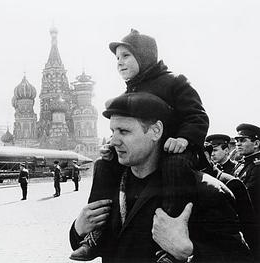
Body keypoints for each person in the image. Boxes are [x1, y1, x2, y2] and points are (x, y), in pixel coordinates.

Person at [70, 29, 209, 260]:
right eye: (117, 58)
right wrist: (114, 144)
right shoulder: (131, 88)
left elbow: (197, 116)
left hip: (176, 151)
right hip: (145, 155)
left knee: (175, 165)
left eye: (126, 56)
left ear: (143, 57)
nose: (119, 63)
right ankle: (95, 233)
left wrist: (184, 139)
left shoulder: (174, 82)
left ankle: (168, 245)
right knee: (103, 165)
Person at [69, 92, 252, 263]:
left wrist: (189, 251)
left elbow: (241, 257)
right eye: (112, 132)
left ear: (156, 131)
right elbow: (101, 245)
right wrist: (78, 229)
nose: (114, 141)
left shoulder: (206, 191)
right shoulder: (113, 184)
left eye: (124, 132)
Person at [233, 123, 260, 260]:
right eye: (237, 140)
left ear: (256, 143)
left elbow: (248, 195)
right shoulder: (241, 164)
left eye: (243, 140)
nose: (238, 144)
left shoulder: (257, 166)